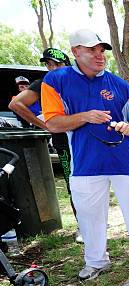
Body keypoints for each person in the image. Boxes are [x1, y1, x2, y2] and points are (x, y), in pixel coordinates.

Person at [41, 29, 129, 281]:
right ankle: (95, 260)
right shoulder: (56, 80)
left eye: (101, 50)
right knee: (88, 212)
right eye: (91, 50)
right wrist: (85, 116)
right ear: (75, 52)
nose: (99, 56)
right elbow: (53, 123)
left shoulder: (120, 85)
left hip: (123, 159)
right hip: (85, 162)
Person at [9, 48, 81, 241]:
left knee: (94, 183)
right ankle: (82, 226)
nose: (53, 68)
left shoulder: (79, 80)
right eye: (49, 65)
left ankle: (96, 221)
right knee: (72, 184)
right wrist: (45, 125)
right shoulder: (43, 84)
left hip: (86, 140)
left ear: (68, 64)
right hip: (64, 141)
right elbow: (16, 104)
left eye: (58, 64)